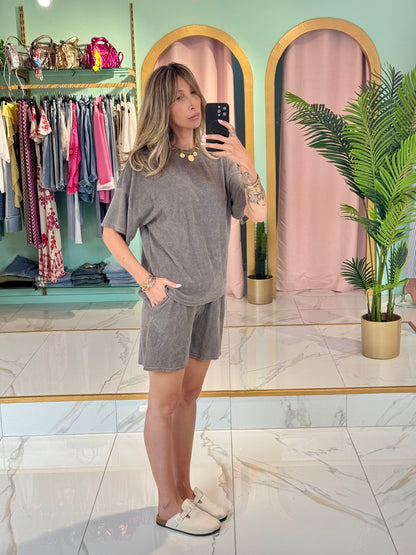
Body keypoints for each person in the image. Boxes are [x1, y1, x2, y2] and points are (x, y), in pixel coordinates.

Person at [102, 63, 266, 536]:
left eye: (194, 93)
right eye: (179, 97)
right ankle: (167, 505)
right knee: (164, 405)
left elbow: (256, 213)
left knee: (190, 398)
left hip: (211, 298)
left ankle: (185, 489)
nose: (192, 104)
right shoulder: (144, 167)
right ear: (162, 106)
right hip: (170, 303)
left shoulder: (219, 159)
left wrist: (245, 161)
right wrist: (146, 280)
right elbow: (112, 232)